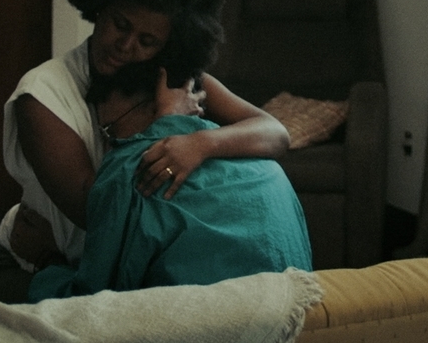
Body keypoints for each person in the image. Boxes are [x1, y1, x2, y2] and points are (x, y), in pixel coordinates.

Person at [0, 0, 291, 303]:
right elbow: (100, 214)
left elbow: (275, 133)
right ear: (99, 6)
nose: (125, 46)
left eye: (147, 40)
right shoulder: (41, 95)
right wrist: (166, 126)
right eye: (119, 24)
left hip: (123, 278)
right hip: (36, 263)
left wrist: (199, 145)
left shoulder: (173, 79)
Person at [23, 60, 311, 302]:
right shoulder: (266, 166)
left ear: (153, 106)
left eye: (110, 131)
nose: (110, 146)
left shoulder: (131, 170)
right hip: (289, 323)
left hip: (206, 328)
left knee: (3, 276)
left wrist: (46, 260)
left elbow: (90, 301)